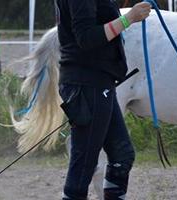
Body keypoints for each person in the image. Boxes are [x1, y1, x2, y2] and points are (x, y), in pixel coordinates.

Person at [54, 0, 151, 199]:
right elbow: (86, 38)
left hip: (98, 82)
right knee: (84, 165)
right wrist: (129, 18)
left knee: (122, 155)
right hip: (88, 83)